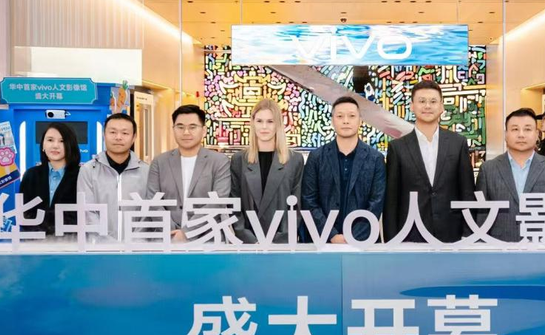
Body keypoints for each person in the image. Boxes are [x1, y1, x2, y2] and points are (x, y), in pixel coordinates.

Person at [384, 80, 475, 242]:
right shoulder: (397, 148)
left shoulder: (458, 143)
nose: (427, 106)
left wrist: (468, 236)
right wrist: (392, 243)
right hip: (410, 235)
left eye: (433, 101)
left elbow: (467, 193)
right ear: (412, 106)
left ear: (441, 106)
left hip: (451, 235)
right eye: (422, 101)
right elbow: (391, 201)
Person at [475, 108, 545, 242]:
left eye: (527, 129)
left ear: (537, 134)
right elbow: (481, 216)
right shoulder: (488, 169)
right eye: (515, 129)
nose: (521, 135)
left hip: (540, 247)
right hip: (499, 247)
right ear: (506, 134)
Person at [302, 96, 386, 244]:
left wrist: (352, 237)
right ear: (332, 120)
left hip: (364, 242)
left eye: (351, 116)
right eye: (340, 116)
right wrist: (332, 235)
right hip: (322, 242)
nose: (346, 121)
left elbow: (376, 203)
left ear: (360, 120)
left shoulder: (375, 159)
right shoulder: (316, 157)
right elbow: (309, 201)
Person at [147, 104, 231, 242]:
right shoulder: (159, 162)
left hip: (208, 239)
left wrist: (187, 233)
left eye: (192, 127)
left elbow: (218, 201)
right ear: (173, 129)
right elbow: (152, 200)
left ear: (204, 131)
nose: (186, 132)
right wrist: (172, 233)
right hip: (167, 239)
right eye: (180, 127)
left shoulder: (219, 161)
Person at [230, 99, 305, 243]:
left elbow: (297, 206)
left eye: (270, 121)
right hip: (249, 242)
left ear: (278, 124)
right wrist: (247, 237)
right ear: (253, 123)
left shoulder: (294, 160)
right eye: (259, 121)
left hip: (281, 242)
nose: (264, 127)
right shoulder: (239, 159)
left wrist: (280, 238)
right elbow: (234, 203)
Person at [77, 112, 151, 240]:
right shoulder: (88, 170)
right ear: (104, 135)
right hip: (99, 247)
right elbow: (87, 211)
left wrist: (136, 241)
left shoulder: (147, 171)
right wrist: (106, 243)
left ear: (134, 137)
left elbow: (149, 211)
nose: (118, 137)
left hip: (137, 245)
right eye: (112, 132)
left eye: (125, 133)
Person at [18, 123, 81, 235]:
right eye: (50, 140)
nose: (55, 146)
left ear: (70, 145)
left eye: (62, 141)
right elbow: (24, 213)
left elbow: (80, 214)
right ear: (43, 145)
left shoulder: (81, 175)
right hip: (35, 241)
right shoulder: (31, 175)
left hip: (70, 241)